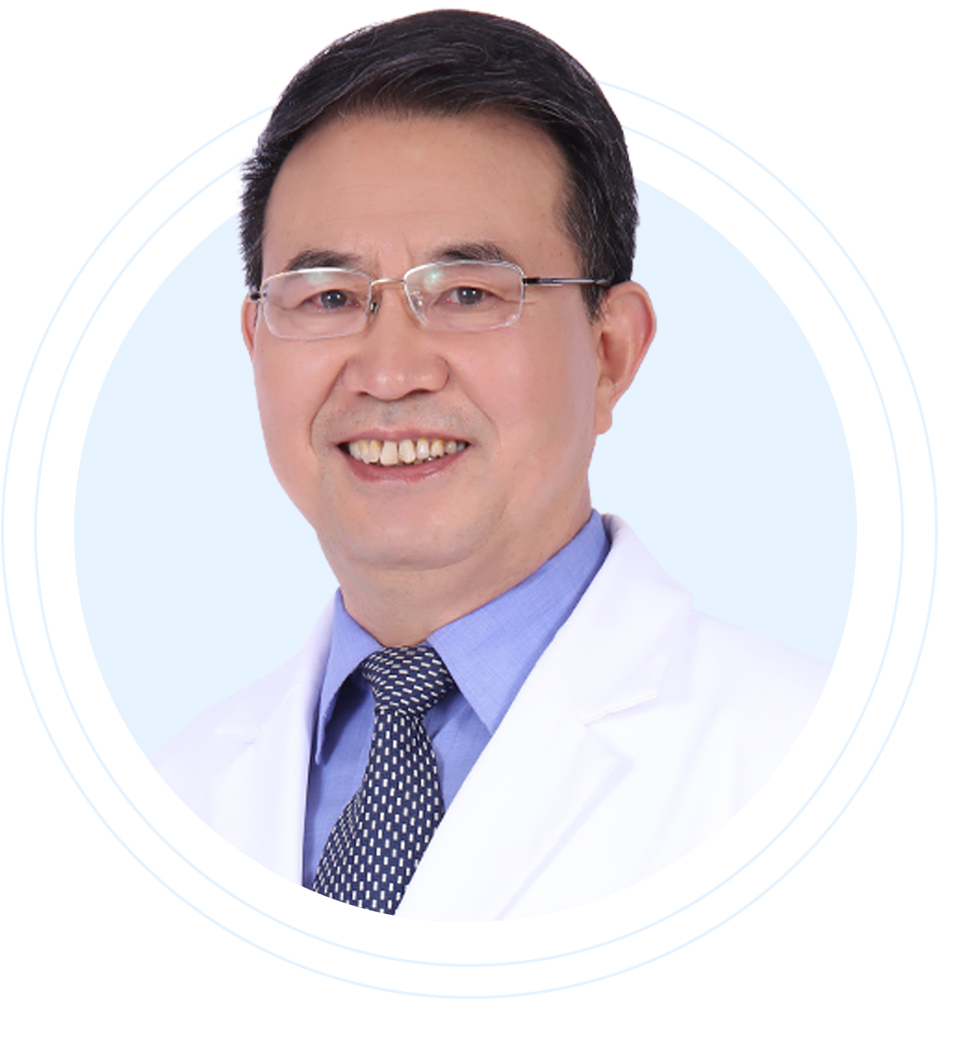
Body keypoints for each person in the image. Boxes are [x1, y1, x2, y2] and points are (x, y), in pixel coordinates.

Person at [153, 9, 829, 922]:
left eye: (468, 293)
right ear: (255, 344)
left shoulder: (816, 766)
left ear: (611, 353)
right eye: (329, 298)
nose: (389, 372)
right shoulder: (173, 793)